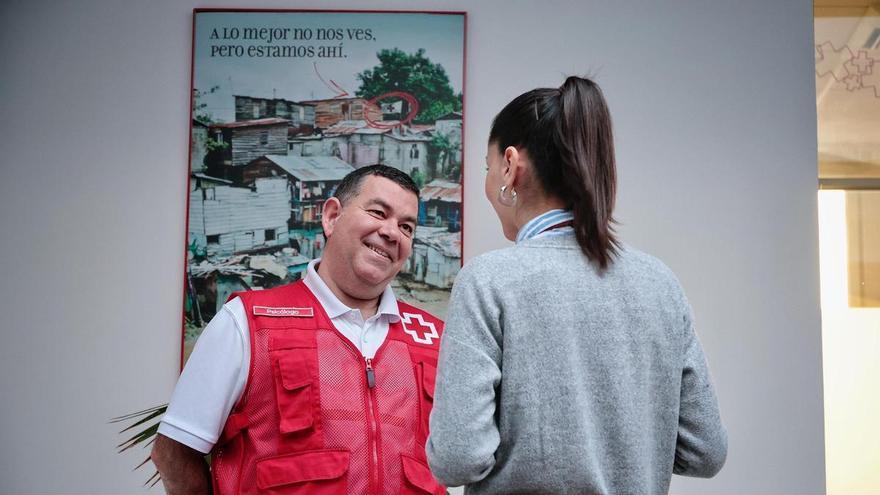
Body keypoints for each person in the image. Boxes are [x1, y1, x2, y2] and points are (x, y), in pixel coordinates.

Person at [426, 77, 727, 494]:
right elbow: (705, 451)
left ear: (510, 166)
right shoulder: (659, 282)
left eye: (487, 166)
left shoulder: (488, 281)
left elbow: (458, 458)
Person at [152, 165, 447, 495]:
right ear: (332, 217)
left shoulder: (436, 338)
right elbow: (173, 453)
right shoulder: (248, 322)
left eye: (406, 227)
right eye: (378, 212)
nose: (392, 232)